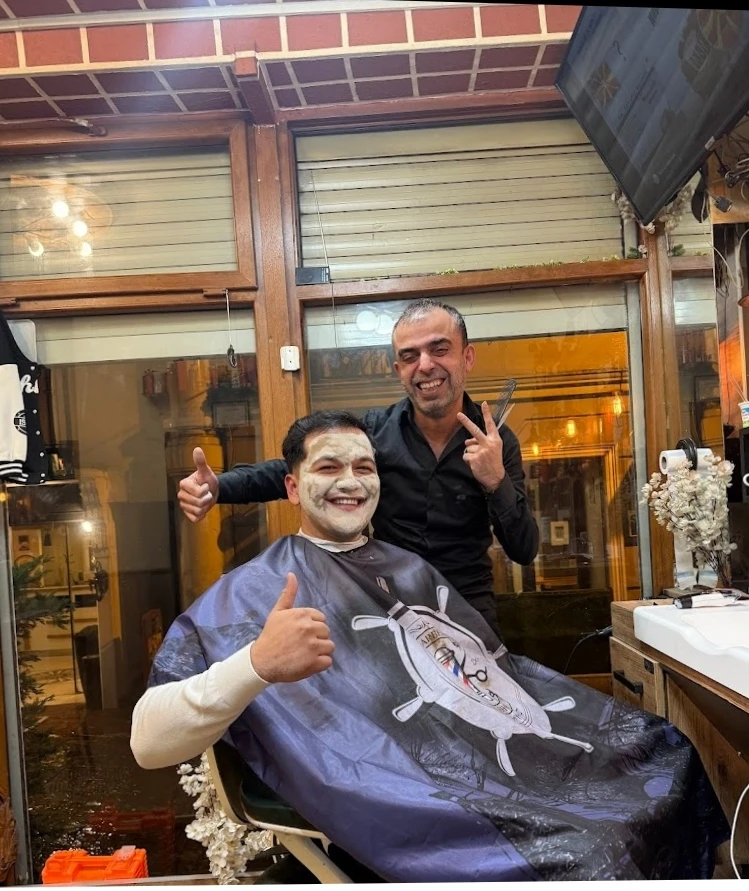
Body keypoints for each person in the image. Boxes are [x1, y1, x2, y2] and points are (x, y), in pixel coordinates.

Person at [135, 411, 727, 883]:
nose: (350, 481)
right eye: (328, 467)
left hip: (478, 753)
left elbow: (486, 673)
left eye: (363, 467)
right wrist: (255, 665)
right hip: (402, 786)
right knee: (589, 848)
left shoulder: (407, 570)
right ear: (292, 486)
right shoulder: (255, 591)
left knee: (666, 750)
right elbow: (147, 742)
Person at [177, 299, 539, 635]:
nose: (425, 365)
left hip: (469, 613)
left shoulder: (497, 442)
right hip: (389, 611)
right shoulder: (376, 432)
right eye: (409, 356)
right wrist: (219, 486)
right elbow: (300, 469)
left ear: (467, 357)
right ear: (399, 370)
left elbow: (524, 550)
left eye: (439, 349)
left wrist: (496, 481)